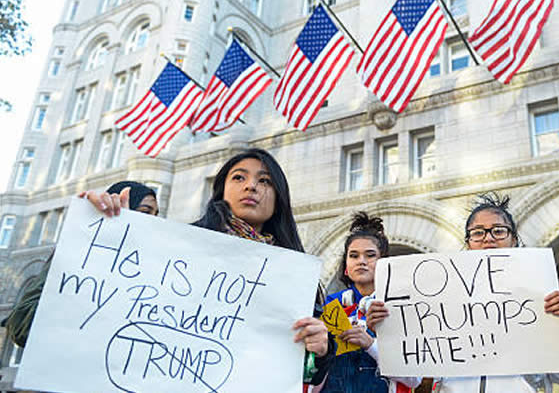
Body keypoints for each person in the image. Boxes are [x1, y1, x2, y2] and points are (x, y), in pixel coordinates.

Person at [367, 193, 559, 393]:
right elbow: (412, 375)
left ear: (513, 239)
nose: (488, 238)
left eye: (498, 230)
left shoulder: (540, 291)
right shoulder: (439, 296)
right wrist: (388, 327)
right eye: (477, 233)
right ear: (468, 242)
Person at [189, 148, 334, 388]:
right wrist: (111, 217)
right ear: (221, 190)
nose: (251, 186)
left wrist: (320, 350)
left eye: (264, 180)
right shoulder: (186, 242)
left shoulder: (295, 269)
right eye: (239, 177)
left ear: (279, 199)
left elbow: (310, 374)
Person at [3, 181, 159, 347]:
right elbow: (21, 326)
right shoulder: (81, 249)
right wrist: (87, 238)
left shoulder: (156, 271)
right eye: (144, 213)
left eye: (156, 217)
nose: (152, 223)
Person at [320, 212, 421, 393]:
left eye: (370, 255)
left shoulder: (400, 306)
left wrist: (370, 344)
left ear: (384, 263)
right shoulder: (329, 305)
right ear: (346, 267)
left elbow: (415, 379)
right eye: (354, 256)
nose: (362, 262)